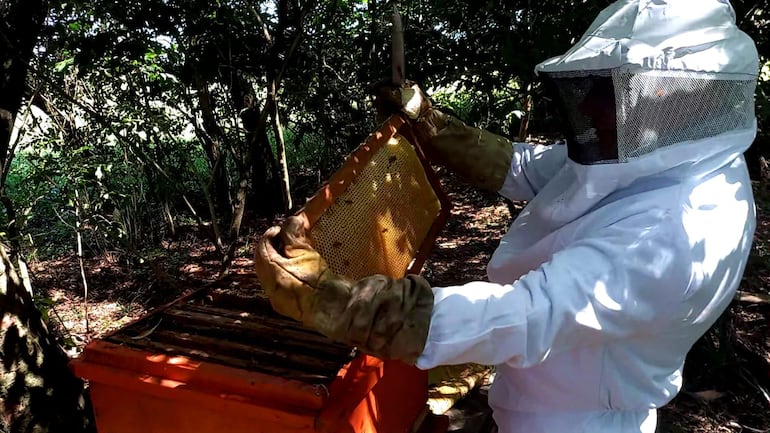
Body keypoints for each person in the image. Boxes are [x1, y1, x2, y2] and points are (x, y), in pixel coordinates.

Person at [254, 0, 760, 431]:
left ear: (670, 99)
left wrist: (339, 302)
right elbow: (530, 167)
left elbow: (524, 315)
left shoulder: (680, 229)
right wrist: (430, 123)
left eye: (609, 90)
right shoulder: (661, 156)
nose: (591, 108)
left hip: (575, 421)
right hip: (549, 384)